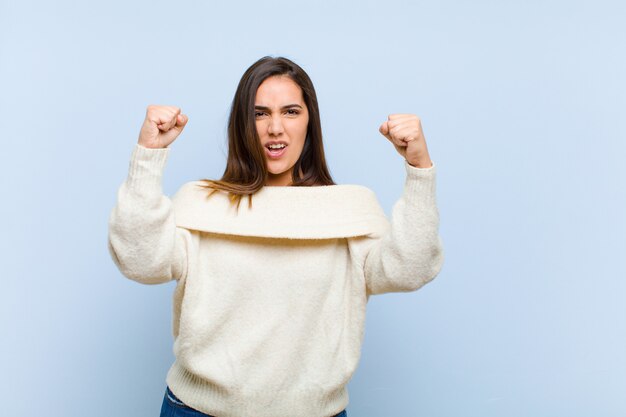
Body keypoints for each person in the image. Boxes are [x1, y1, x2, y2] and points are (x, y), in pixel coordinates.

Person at [107, 56, 444, 417]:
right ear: (242, 124)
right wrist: (148, 157)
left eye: (291, 112)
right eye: (260, 113)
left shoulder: (347, 209)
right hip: (199, 410)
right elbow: (140, 262)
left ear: (309, 122)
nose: (275, 128)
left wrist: (419, 169)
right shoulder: (202, 203)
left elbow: (410, 269)